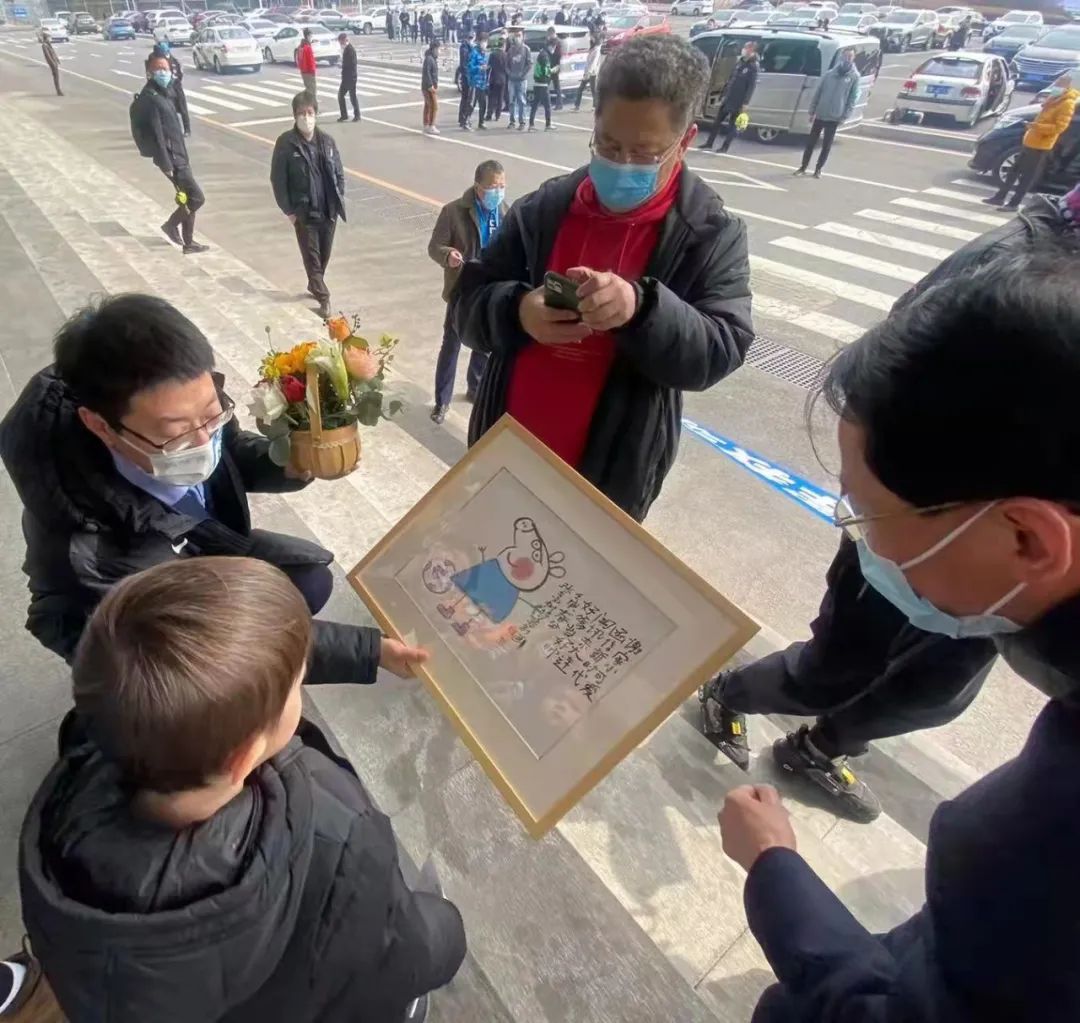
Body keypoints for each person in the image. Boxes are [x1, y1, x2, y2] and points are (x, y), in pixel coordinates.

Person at [719, 251, 1080, 1023]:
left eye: (871, 518)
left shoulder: (1052, 838)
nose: (863, 545)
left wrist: (775, 871)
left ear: (1030, 540)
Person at [701, 183, 1080, 822]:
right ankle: (731, 694)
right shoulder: (1008, 267)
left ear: (1030, 544)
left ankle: (820, 746)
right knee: (834, 668)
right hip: (941, 535)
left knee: (931, 692)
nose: (854, 528)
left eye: (863, 512)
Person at [19, 557, 465, 1023]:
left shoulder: (89, 752)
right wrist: (448, 929)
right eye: (297, 686)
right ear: (245, 757)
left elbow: (257, 659)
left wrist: (369, 651)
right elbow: (401, 948)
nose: (299, 685)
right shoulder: (333, 837)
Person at [0, 294, 428, 683]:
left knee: (308, 582)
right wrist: (371, 653)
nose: (205, 442)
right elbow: (204, 638)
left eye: (211, 413)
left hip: (194, 547)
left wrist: (290, 464)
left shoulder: (189, 410)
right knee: (189, 686)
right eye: (176, 433)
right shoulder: (89, 550)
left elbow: (232, 452)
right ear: (101, 426)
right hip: (119, 626)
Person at [452, 35, 754, 521]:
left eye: (644, 152)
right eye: (609, 144)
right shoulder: (544, 209)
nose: (622, 163)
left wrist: (642, 309)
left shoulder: (708, 233)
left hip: (607, 485)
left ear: (686, 140)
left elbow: (721, 348)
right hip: (504, 458)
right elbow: (467, 305)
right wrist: (517, 311)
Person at [428, 160, 507, 424]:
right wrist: (448, 255)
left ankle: (475, 388)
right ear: (478, 187)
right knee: (451, 344)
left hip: (489, 289)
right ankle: (442, 401)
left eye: (502, 185)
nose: (499, 191)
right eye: (494, 186)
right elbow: (434, 246)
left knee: (484, 346)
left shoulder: (503, 211)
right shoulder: (454, 211)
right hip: (462, 289)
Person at [270, 92, 346, 320]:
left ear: (316, 114)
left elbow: (339, 173)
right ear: (295, 115)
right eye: (302, 114)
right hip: (304, 213)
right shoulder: (286, 143)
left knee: (323, 256)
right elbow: (278, 179)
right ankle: (324, 297)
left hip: (328, 210)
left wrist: (339, 196)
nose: (306, 117)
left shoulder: (327, 141)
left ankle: (315, 284)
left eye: (310, 113)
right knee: (312, 258)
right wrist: (289, 211)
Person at [134, 53, 208, 255]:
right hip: (172, 159)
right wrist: (166, 164)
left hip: (179, 155)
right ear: (149, 72)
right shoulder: (151, 99)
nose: (163, 72)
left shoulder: (164, 93)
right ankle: (171, 225)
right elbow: (158, 134)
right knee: (197, 198)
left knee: (187, 198)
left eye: (166, 69)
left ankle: (189, 243)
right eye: (158, 69)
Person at [986, 74, 1079, 211]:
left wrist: (1036, 126)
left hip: (1042, 144)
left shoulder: (1067, 104)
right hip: (1031, 140)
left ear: (1066, 86)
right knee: (1014, 171)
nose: (1056, 86)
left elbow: (1060, 127)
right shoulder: (1055, 98)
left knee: (1028, 176)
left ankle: (1014, 204)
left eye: (1059, 84)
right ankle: (1000, 197)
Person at [795, 46, 858, 178]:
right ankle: (803, 167)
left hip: (835, 115)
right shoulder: (830, 74)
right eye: (845, 56)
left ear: (853, 58)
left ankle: (818, 169)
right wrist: (812, 110)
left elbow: (852, 98)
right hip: (821, 112)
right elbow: (818, 92)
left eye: (850, 56)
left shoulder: (854, 77)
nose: (847, 59)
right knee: (811, 142)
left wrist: (845, 115)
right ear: (841, 57)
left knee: (826, 145)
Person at [700, 40, 758, 154]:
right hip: (728, 98)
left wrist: (745, 102)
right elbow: (731, 79)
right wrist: (723, 94)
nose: (744, 50)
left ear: (752, 50)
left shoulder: (753, 66)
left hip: (738, 101)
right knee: (717, 121)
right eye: (745, 47)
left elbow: (751, 86)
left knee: (732, 126)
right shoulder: (740, 62)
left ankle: (724, 147)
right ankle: (709, 143)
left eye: (747, 48)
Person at [154, 40, 190, 136]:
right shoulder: (159, 60)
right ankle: (175, 129)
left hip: (175, 87)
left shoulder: (173, 61)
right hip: (167, 88)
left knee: (182, 109)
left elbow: (179, 75)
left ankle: (187, 129)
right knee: (170, 110)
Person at [506, 29, 531, 129]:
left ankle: (522, 122)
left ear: (522, 37)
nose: (517, 38)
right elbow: (506, 65)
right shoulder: (511, 50)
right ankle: (512, 121)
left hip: (521, 80)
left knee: (522, 101)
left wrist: (522, 73)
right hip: (512, 80)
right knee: (511, 101)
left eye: (519, 35)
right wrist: (509, 73)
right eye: (516, 36)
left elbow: (529, 64)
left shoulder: (526, 49)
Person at [467, 31, 492, 129]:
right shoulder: (474, 52)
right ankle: (467, 121)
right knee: (472, 103)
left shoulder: (484, 53)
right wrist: (479, 68)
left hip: (483, 82)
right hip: (475, 82)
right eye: (483, 41)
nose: (485, 44)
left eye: (486, 41)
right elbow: (470, 67)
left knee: (483, 103)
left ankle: (481, 122)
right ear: (479, 41)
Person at [574, 31, 603, 111]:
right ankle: (577, 106)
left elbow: (594, 62)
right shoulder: (593, 48)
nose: (590, 39)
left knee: (593, 90)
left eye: (592, 38)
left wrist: (589, 72)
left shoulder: (596, 49)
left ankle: (595, 106)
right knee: (581, 89)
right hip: (588, 72)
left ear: (595, 39)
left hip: (592, 73)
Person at [528, 47, 554, 130]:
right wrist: (553, 70)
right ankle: (548, 125)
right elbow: (546, 71)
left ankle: (531, 124)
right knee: (547, 106)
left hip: (536, 84)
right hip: (543, 85)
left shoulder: (540, 55)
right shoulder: (545, 57)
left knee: (535, 105)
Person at [337, 32, 360, 122]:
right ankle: (345, 115)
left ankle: (357, 115)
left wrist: (342, 66)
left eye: (340, 42)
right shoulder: (347, 49)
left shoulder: (350, 50)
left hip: (350, 77)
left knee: (352, 96)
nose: (340, 44)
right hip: (346, 77)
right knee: (341, 95)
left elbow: (352, 64)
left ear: (343, 40)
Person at [422, 38, 441, 134]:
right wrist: (430, 85)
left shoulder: (432, 58)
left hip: (429, 86)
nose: (439, 51)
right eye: (438, 49)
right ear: (433, 49)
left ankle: (426, 124)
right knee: (434, 106)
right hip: (428, 87)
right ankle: (431, 125)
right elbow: (427, 73)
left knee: (428, 105)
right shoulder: (429, 59)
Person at [487, 36, 508, 122]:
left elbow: (489, 67)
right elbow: (507, 68)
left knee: (492, 97)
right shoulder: (506, 55)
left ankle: (489, 114)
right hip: (502, 78)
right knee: (500, 97)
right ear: (504, 45)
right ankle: (497, 115)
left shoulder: (493, 54)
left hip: (493, 77)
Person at [297, 27, 318, 110]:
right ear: (308, 36)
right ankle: (312, 108)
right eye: (311, 35)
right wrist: (313, 71)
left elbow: (299, 59)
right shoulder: (307, 47)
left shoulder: (300, 47)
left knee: (308, 89)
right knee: (312, 91)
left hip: (303, 71)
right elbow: (311, 60)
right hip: (309, 72)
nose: (311, 37)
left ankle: (308, 106)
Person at [457, 30, 473, 125]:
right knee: (466, 99)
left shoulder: (467, 47)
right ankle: (463, 118)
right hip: (467, 78)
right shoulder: (465, 49)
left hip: (468, 77)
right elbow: (465, 65)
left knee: (466, 99)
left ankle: (464, 118)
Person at [545, 25, 563, 109]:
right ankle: (558, 103)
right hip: (554, 65)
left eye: (549, 34)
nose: (548, 36)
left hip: (554, 66)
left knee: (548, 85)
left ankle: (557, 104)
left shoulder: (555, 41)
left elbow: (551, 51)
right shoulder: (556, 40)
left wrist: (548, 42)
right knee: (555, 85)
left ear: (552, 33)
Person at [41, 30, 62, 97]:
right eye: (48, 38)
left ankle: (58, 90)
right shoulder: (44, 45)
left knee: (57, 76)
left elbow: (53, 52)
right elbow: (48, 55)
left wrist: (57, 59)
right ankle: (58, 90)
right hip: (52, 63)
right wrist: (52, 63)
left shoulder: (48, 44)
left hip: (54, 61)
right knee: (56, 76)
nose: (50, 39)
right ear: (46, 38)